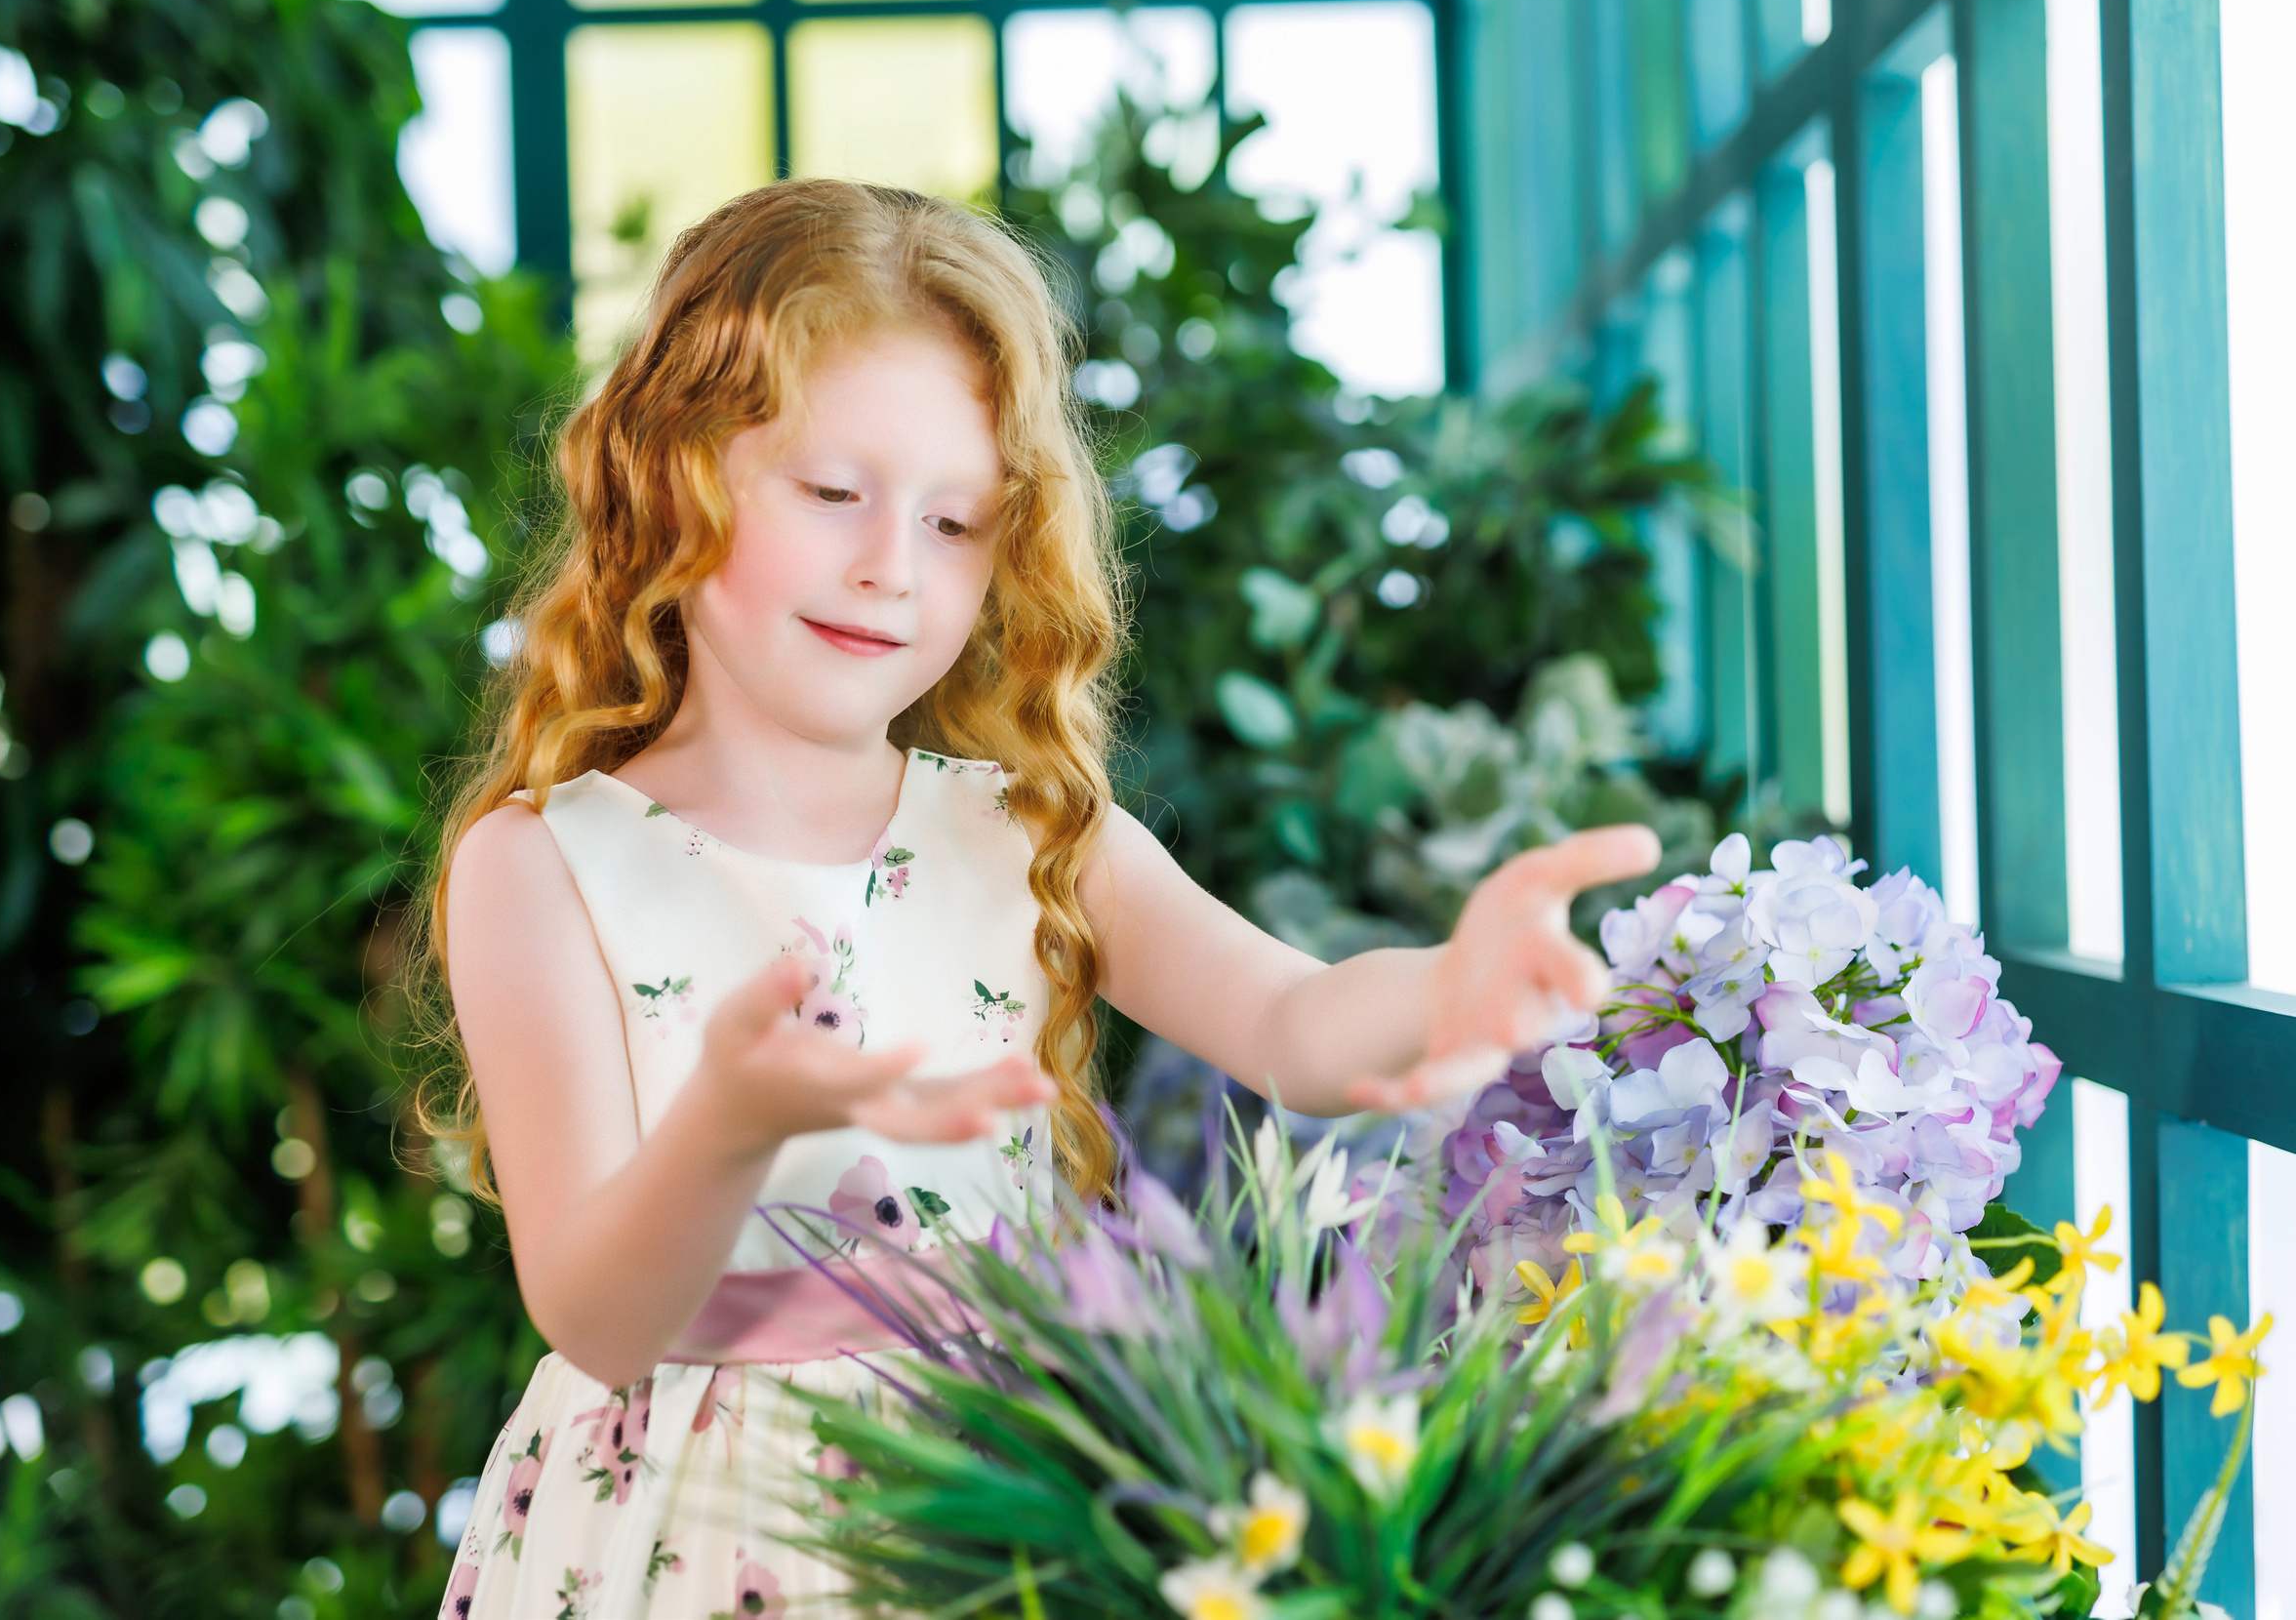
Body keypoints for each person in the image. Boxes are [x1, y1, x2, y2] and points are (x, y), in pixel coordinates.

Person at [424, 178, 1661, 1618]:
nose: (893, 565)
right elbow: (594, 1312)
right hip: (672, 1548)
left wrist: (1446, 987)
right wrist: (732, 1123)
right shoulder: (545, 865)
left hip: (997, 1512)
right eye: (834, 494)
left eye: (958, 524)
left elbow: (1292, 1017)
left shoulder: (1023, 834)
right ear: (667, 471)